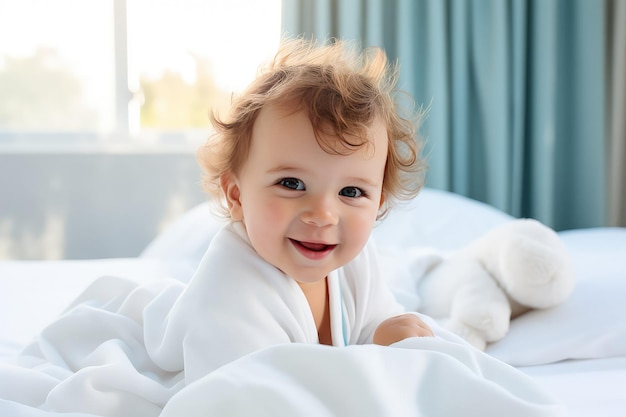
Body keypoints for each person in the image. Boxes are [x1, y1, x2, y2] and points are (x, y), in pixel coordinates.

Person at [163, 38, 433, 382]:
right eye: (291, 184)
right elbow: (243, 397)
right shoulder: (230, 295)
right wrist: (374, 357)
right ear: (236, 195)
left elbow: (373, 322)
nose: (322, 215)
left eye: (351, 192)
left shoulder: (355, 261)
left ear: (378, 204)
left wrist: (390, 335)